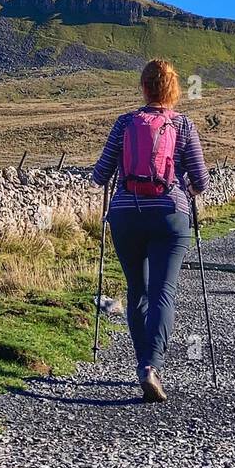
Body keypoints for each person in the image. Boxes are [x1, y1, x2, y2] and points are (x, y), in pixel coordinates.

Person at [91, 58, 209, 402]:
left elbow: (99, 176)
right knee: (162, 292)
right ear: (173, 90)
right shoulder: (183, 125)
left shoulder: (124, 123)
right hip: (170, 216)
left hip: (126, 217)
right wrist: (185, 186)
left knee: (137, 291)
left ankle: (143, 363)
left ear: (143, 87)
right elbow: (200, 180)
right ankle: (151, 367)